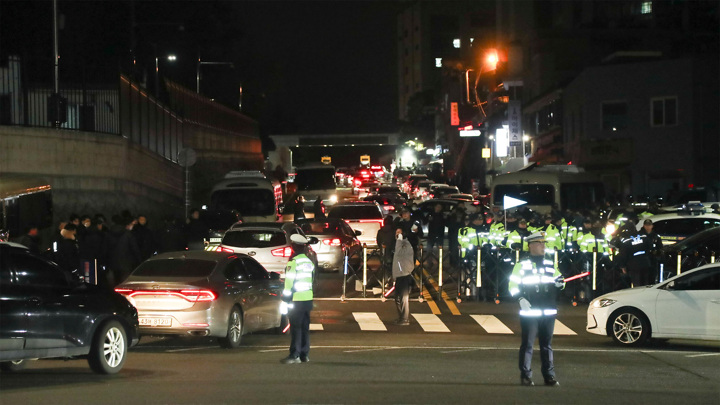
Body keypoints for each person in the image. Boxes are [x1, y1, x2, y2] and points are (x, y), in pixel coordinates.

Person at [508, 231, 565, 387]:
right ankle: (526, 374)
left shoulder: (550, 263)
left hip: (548, 310)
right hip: (530, 310)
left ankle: (549, 376)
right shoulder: (521, 265)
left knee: (547, 345)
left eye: (543, 243)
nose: (543, 246)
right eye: (540, 243)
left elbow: (559, 280)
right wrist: (520, 298)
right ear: (531, 245)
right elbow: (512, 285)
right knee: (527, 344)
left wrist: (561, 283)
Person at [280, 234, 316, 364]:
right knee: (305, 327)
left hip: (296, 299)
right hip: (307, 299)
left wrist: (286, 296)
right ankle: (304, 355)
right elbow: (312, 280)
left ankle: (294, 355)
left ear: (294, 246)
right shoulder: (308, 262)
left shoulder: (293, 262)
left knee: (295, 327)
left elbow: (289, 282)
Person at [616, 221, 652, 287]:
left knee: (636, 284)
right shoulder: (643, 236)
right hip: (645, 262)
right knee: (646, 283)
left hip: (634, 264)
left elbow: (623, 254)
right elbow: (650, 246)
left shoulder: (626, 240)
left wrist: (623, 266)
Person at [391, 228, 414, 325]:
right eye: (396, 232)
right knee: (397, 298)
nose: (397, 234)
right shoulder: (400, 244)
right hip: (399, 275)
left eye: (399, 232)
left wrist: (399, 239)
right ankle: (402, 317)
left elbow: (399, 252)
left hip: (404, 274)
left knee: (403, 298)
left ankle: (404, 319)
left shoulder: (405, 244)